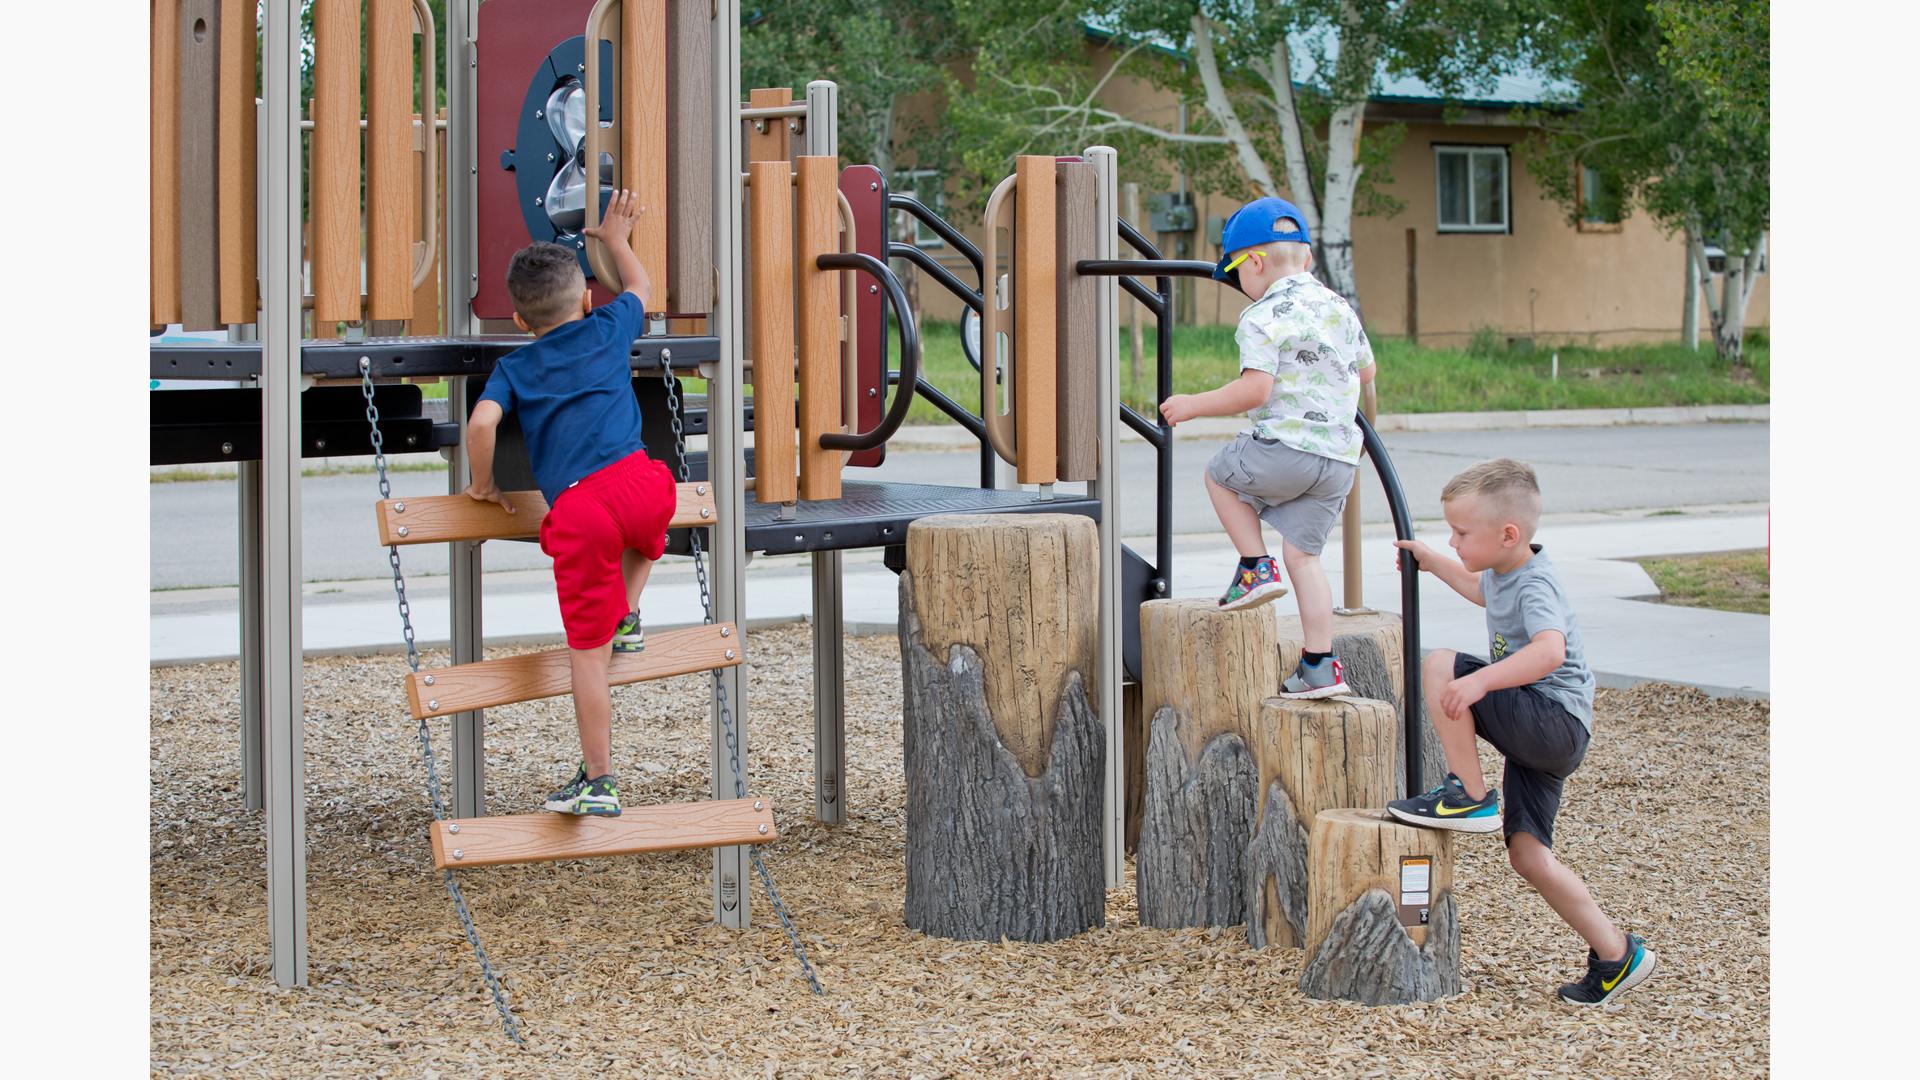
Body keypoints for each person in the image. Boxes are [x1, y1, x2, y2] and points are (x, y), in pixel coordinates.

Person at [1386, 458, 1656, 1006]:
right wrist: (1433, 561)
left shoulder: (1536, 585)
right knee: (1529, 855)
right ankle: (1617, 954)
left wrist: (1481, 681)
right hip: (1553, 736)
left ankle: (1472, 794)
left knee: (1441, 665)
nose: (1454, 540)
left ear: (1508, 534)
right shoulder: (1505, 571)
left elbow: (1549, 649)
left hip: (1552, 720)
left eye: (1462, 533)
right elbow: (1481, 590)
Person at [462, 190, 672, 818]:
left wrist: (483, 484)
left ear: (521, 322)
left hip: (582, 512)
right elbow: (640, 286)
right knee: (653, 518)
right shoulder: (609, 327)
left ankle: (598, 780)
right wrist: (614, 239)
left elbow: (481, 427)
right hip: (642, 483)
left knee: (588, 653)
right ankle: (628, 613)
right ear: (586, 299)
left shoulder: (516, 366)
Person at [1159, 196, 1375, 698]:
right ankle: (1320, 665)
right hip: (1340, 460)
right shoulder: (1339, 306)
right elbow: (1366, 371)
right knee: (1305, 559)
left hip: (1288, 447)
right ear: (1308, 259)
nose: (1239, 287)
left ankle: (1254, 567)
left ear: (1254, 262)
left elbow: (1255, 390)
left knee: (1219, 475)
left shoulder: (1263, 315)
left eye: (1236, 274)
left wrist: (1192, 404)